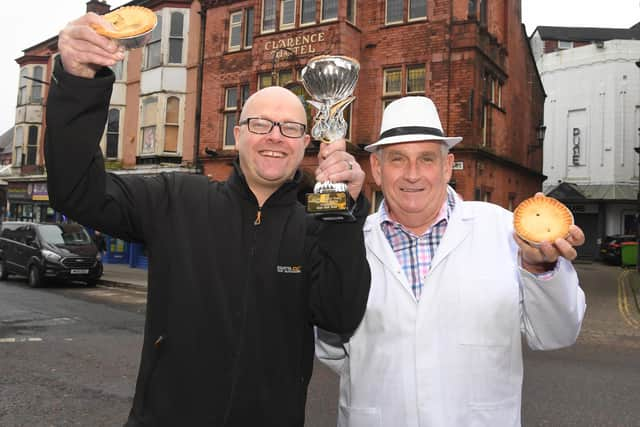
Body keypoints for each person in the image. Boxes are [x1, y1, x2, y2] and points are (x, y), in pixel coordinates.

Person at [45, 13, 371, 426]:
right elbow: (76, 190)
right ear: (237, 134)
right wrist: (78, 81)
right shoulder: (175, 198)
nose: (274, 136)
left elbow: (339, 315)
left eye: (290, 127)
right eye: (260, 124)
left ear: (307, 142)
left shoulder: (315, 225)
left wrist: (344, 214)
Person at [316, 96, 587, 427]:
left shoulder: (504, 231)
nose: (412, 175)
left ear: (447, 166)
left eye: (427, 159)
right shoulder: (351, 244)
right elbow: (329, 345)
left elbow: (557, 333)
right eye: (397, 159)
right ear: (376, 168)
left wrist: (540, 268)